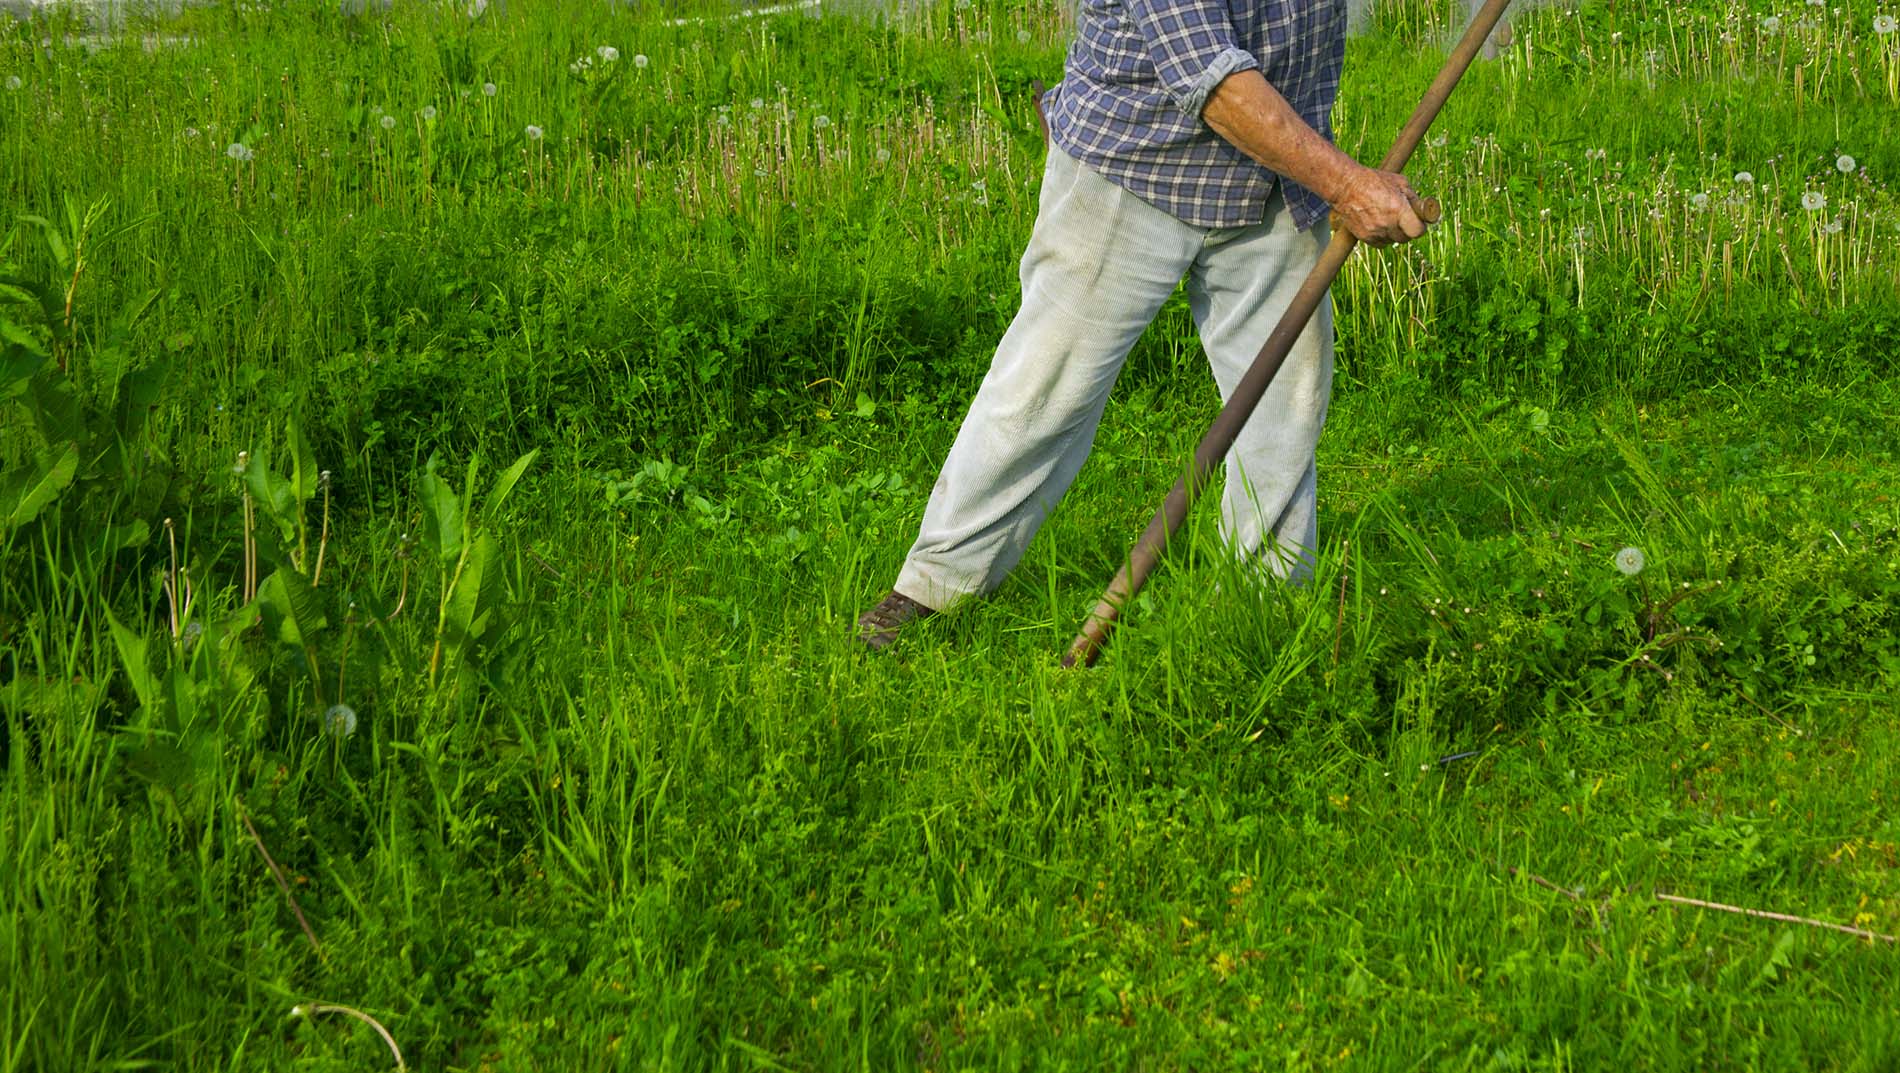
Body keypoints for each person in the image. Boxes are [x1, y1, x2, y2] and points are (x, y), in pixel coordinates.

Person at [858, 0, 1431, 650]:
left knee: (1285, 410)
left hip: (1277, 177)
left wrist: (1333, 181)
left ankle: (1265, 603)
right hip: (1135, 165)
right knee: (1043, 391)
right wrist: (1348, 184)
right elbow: (1212, 81)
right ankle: (934, 585)